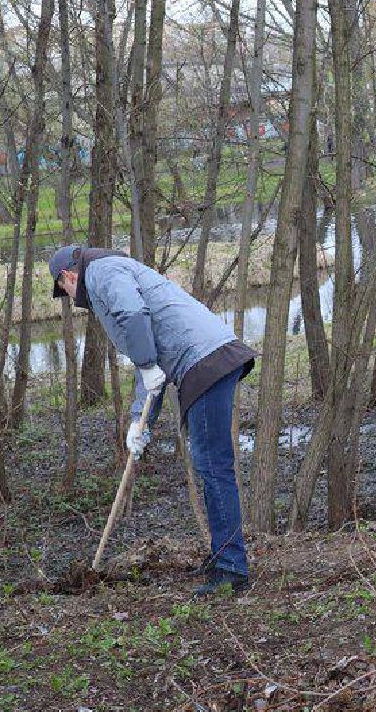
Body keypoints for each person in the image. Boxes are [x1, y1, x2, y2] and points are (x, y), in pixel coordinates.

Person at [48, 245, 257, 595]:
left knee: (212, 465)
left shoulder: (101, 272)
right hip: (209, 358)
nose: (70, 298)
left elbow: (134, 319)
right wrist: (138, 423)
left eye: (64, 290)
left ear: (69, 276)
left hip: (205, 361)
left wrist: (146, 364)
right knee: (210, 464)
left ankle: (232, 568)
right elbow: (149, 365)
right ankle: (224, 554)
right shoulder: (111, 274)